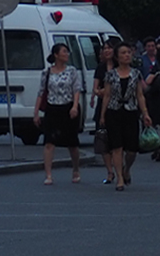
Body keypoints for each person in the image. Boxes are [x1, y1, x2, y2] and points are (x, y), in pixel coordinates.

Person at [100, 42, 151, 191]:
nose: (127, 55)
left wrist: (145, 113)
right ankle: (120, 178)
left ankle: (126, 168)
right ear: (117, 56)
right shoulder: (110, 75)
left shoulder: (136, 74)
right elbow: (107, 95)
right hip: (114, 111)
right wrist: (102, 115)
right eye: (123, 53)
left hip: (131, 111)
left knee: (132, 149)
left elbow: (140, 95)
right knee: (117, 146)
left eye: (128, 52)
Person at [33, 42, 83, 185]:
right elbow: (41, 92)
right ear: (56, 55)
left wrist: (74, 107)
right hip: (52, 109)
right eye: (64, 52)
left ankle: (76, 169)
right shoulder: (47, 72)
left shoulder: (72, 71)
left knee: (72, 143)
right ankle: (48, 174)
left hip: (68, 108)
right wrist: (36, 113)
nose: (66, 54)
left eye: (67, 52)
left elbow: (76, 90)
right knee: (49, 142)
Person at [93, 41, 117, 182]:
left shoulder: (120, 67)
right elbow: (95, 88)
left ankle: (119, 166)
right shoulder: (100, 68)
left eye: (110, 47)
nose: (107, 50)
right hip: (103, 106)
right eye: (105, 48)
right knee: (103, 140)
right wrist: (99, 91)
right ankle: (109, 171)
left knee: (117, 140)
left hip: (117, 105)